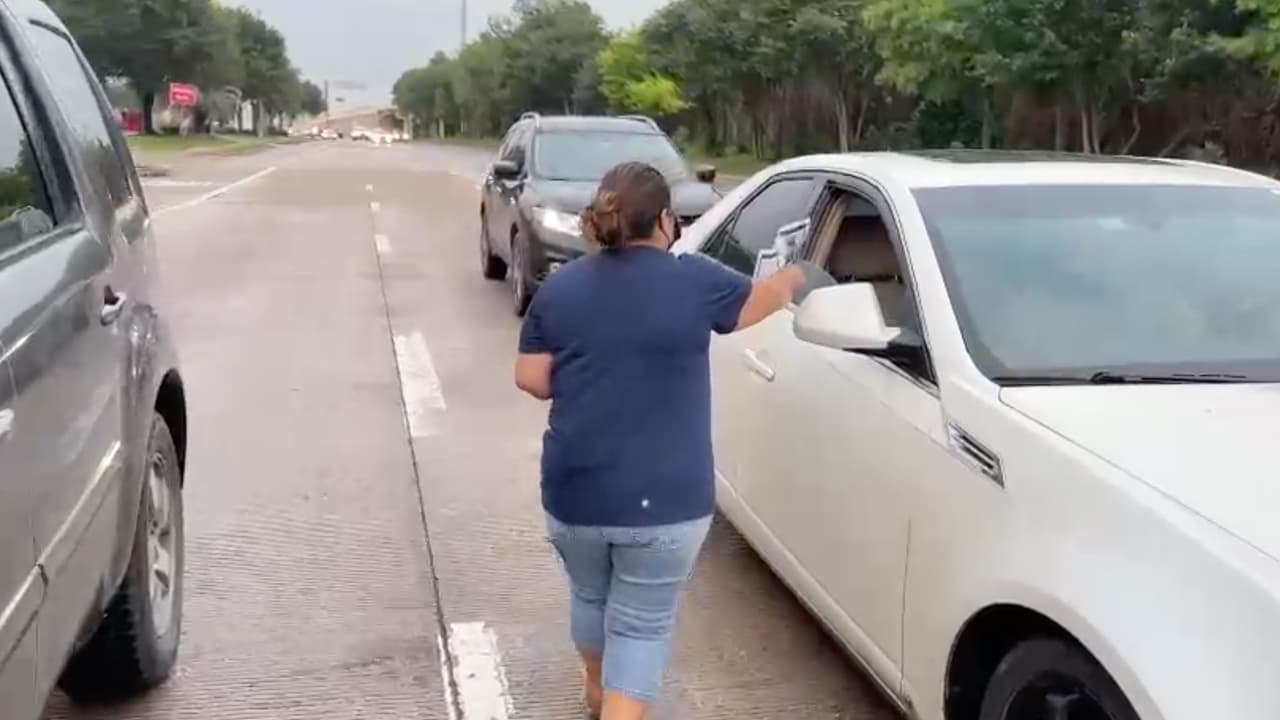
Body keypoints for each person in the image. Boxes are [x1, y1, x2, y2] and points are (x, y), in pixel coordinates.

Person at [514, 161, 810, 720]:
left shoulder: (561, 287)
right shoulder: (695, 280)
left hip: (576, 489)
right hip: (667, 499)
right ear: (666, 220)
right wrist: (797, 275)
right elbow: (755, 305)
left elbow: (530, 377)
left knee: (590, 596)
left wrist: (590, 368)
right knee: (642, 625)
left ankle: (597, 690)